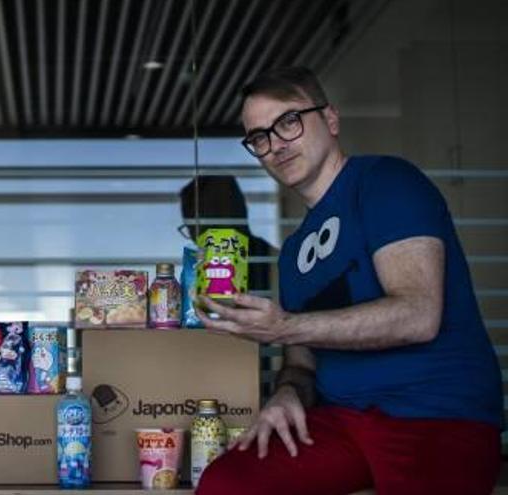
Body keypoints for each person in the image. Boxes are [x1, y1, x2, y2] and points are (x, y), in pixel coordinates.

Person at [195, 66, 502, 495]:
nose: (276, 145)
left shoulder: (385, 182)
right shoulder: (294, 253)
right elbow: (301, 364)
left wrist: (284, 326)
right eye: (260, 137)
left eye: (288, 121)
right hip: (342, 420)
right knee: (227, 484)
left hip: (435, 411)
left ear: (331, 120)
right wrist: (287, 395)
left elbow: (418, 315)